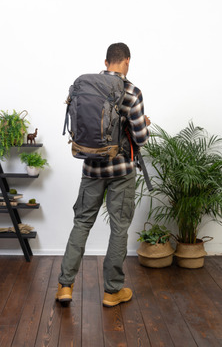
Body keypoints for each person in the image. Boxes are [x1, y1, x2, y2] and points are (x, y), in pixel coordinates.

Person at [56, 42, 150, 307]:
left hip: (90, 168)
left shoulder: (85, 87)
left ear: (106, 61)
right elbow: (141, 138)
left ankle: (65, 286)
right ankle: (112, 291)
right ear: (127, 61)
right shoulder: (131, 92)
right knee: (119, 228)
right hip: (121, 170)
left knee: (82, 223)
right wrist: (143, 125)